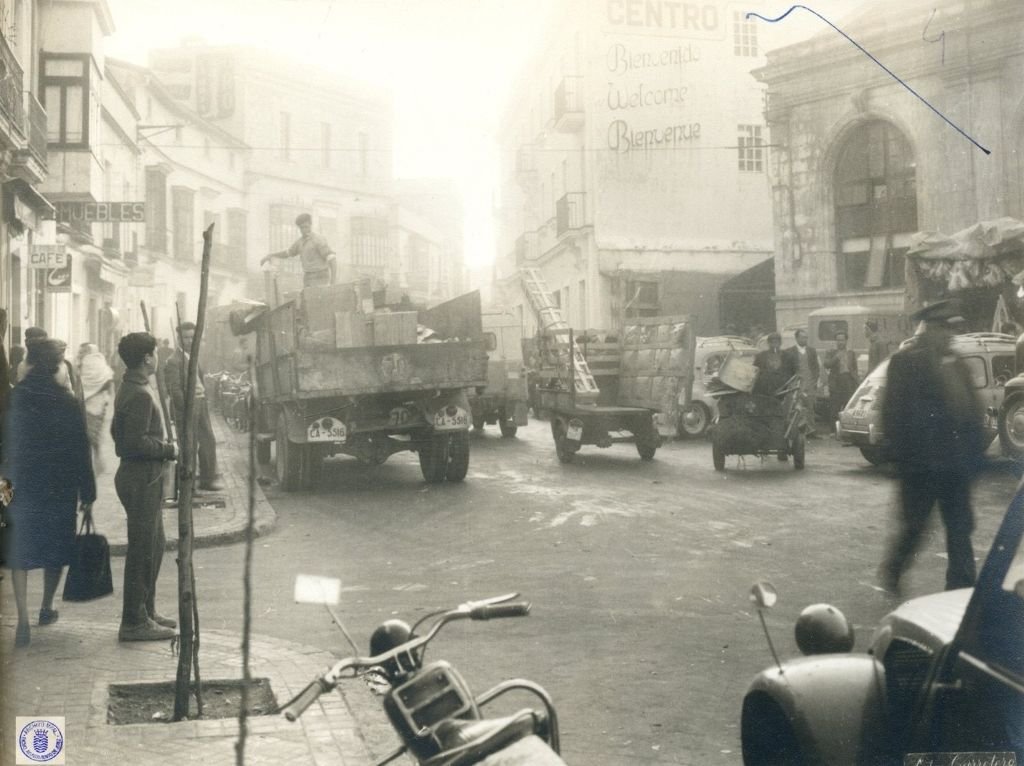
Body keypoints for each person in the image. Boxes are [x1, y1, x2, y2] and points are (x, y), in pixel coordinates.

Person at [879, 300, 985, 595]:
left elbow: (971, 410)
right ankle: (893, 570)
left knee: (960, 528)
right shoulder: (905, 362)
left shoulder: (957, 363)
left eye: (950, 329)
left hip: (954, 465)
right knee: (914, 528)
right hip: (921, 467)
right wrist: (899, 459)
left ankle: (961, 587)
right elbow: (893, 413)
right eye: (942, 329)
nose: (949, 335)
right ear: (928, 329)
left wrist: (976, 456)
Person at [2, 338, 96, 648]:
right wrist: (89, 491)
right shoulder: (66, 401)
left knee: (20, 549)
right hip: (59, 485)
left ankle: (23, 621)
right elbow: (80, 448)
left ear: (30, 362)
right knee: (55, 545)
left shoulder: (16, 399)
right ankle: (45, 606)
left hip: (20, 483)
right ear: (57, 366)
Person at [111, 332, 178, 642]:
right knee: (142, 550)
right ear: (147, 358)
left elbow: (116, 431)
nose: (158, 357)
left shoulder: (132, 386)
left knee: (155, 545)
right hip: (140, 478)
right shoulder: (138, 393)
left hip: (143, 478)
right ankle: (134, 621)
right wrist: (167, 449)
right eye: (154, 353)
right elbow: (129, 443)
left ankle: (146, 610)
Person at [163, 321, 223, 491]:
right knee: (188, 445)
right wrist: (186, 410)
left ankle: (207, 480)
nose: (189, 341)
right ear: (178, 339)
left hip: (200, 403)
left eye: (192, 337)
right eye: (186, 338)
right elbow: (174, 390)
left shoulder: (192, 356)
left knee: (208, 441)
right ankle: (188, 487)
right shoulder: (174, 361)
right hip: (186, 408)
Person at [260, 212, 336, 287]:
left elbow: (332, 260)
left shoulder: (318, 240)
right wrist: (271, 255)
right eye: (301, 228)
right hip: (308, 278)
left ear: (310, 225)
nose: (304, 230)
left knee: (316, 298)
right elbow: (287, 253)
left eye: (306, 227)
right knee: (306, 298)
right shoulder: (300, 242)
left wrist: (332, 283)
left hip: (321, 277)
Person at [77, 343, 115, 474]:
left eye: (84, 351)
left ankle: (94, 461)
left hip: (94, 402)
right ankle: (95, 461)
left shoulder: (90, 363)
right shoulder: (100, 364)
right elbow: (108, 382)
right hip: (96, 402)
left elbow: (83, 382)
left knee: (90, 433)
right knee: (91, 433)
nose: (81, 353)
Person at [782, 328, 821, 436]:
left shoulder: (811, 351)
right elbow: (787, 369)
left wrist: (815, 379)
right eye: (803, 337)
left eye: (806, 337)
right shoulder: (789, 352)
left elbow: (816, 367)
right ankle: (796, 431)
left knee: (810, 407)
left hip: (809, 382)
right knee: (794, 407)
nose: (805, 339)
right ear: (797, 338)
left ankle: (811, 430)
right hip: (796, 384)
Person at [823, 332, 859, 421]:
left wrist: (856, 381)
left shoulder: (851, 353)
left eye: (842, 340)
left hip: (848, 382)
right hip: (836, 382)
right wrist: (836, 357)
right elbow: (826, 364)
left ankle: (846, 429)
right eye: (838, 340)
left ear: (846, 341)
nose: (840, 342)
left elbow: (854, 368)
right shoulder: (831, 352)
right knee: (834, 408)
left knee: (848, 407)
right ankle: (832, 432)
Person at [753, 332, 795, 396]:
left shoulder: (788, 356)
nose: (774, 345)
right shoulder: (760, 356)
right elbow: (755, 372)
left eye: (776, 342)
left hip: (783, 391)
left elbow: (794, 374)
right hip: (764, 391)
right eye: (772, 343)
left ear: (780, 343)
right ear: (768, 344)